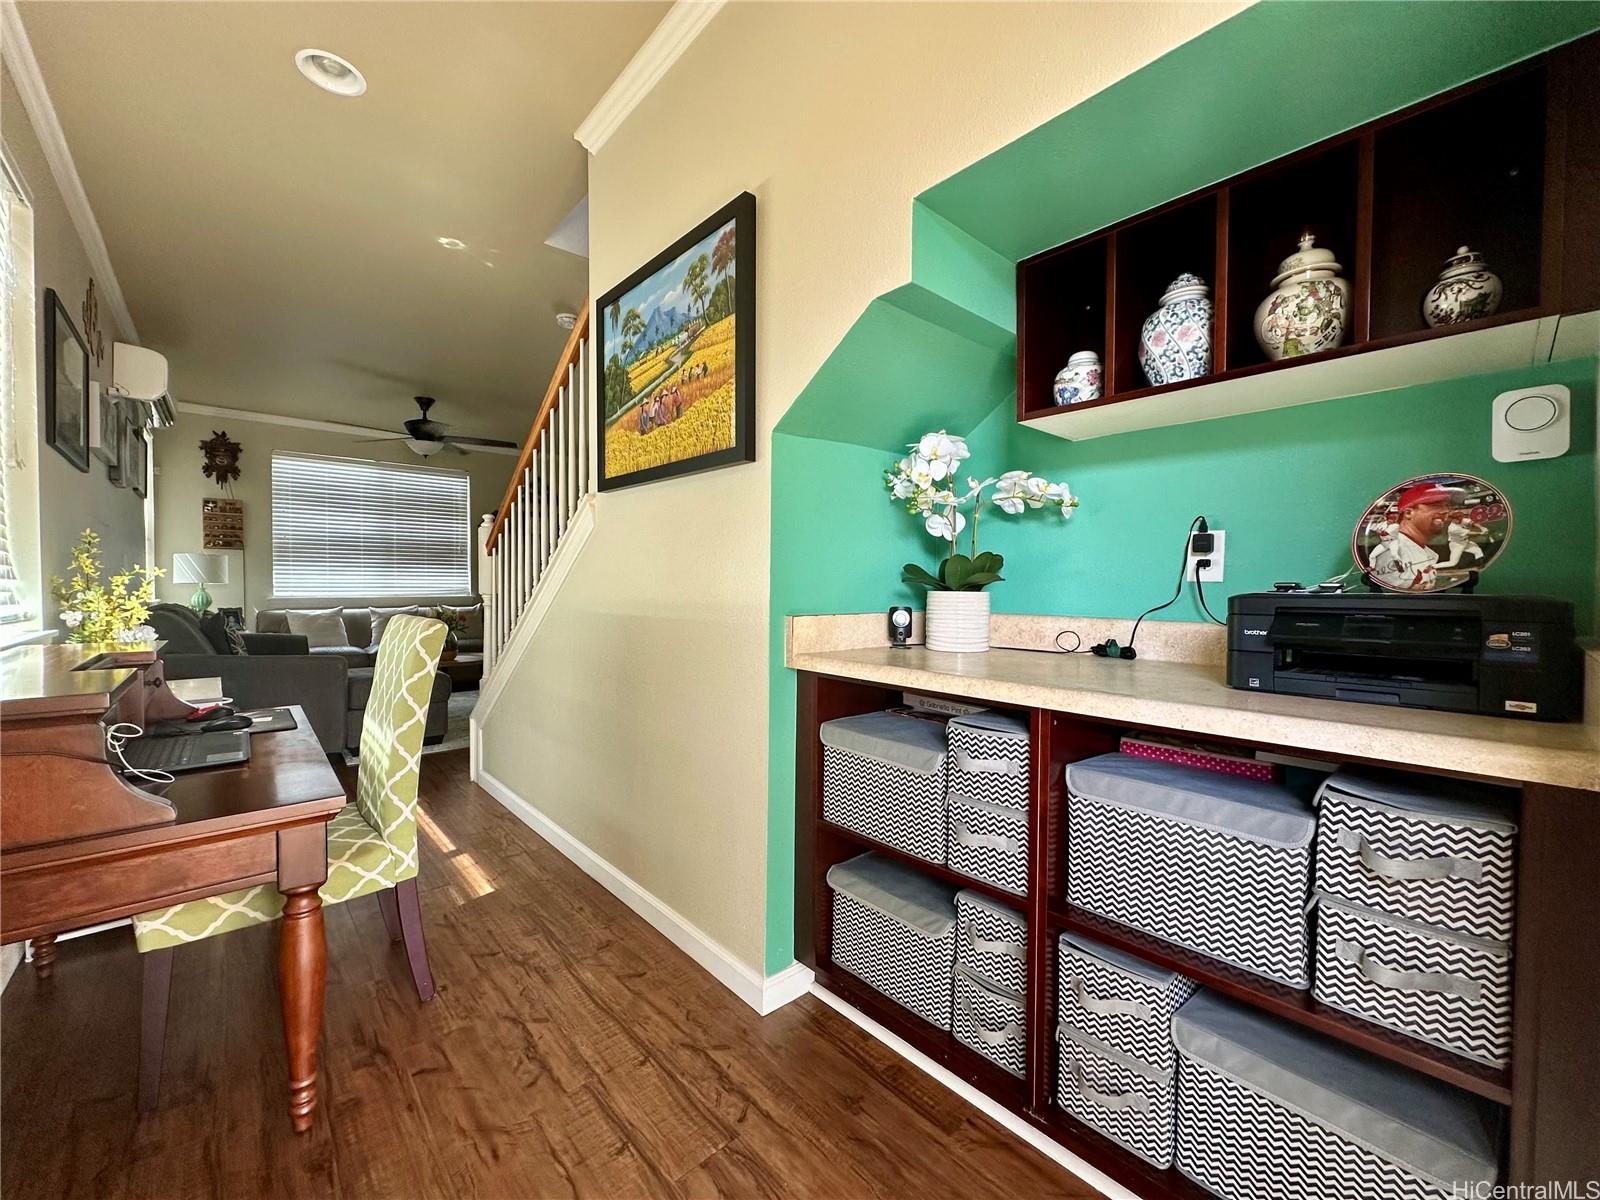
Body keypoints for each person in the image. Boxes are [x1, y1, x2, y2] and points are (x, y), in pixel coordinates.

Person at [1367, 481, 1453, 590]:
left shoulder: (1429, 553)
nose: (1445, 511)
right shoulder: (1391, 553)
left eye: (1446, 505)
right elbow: (1393, 597)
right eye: (1435, 505)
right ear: (1408, 513)